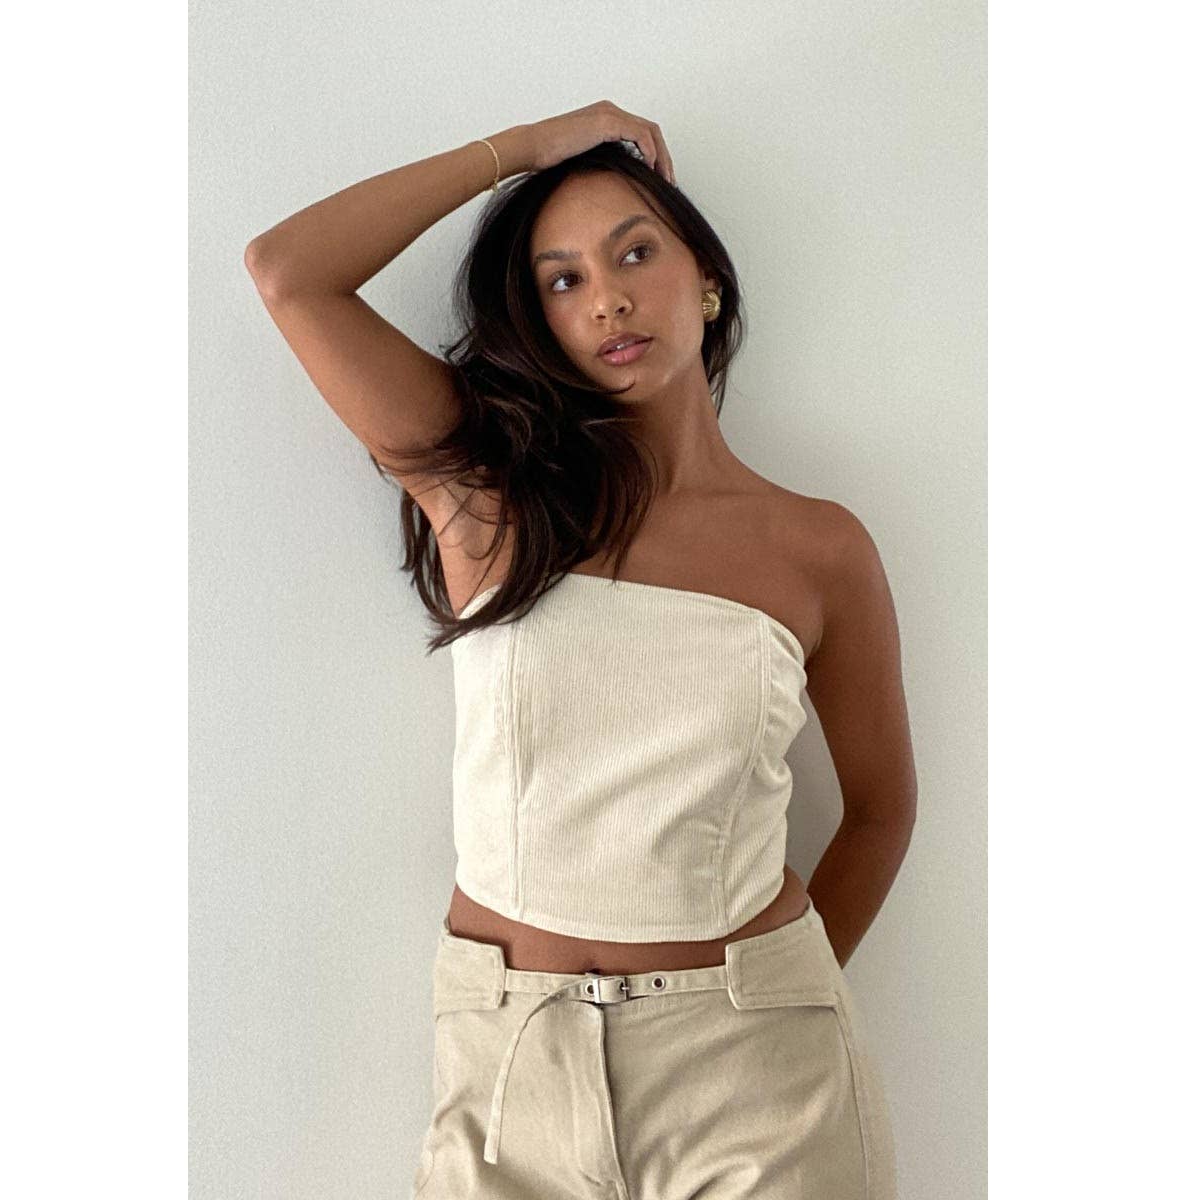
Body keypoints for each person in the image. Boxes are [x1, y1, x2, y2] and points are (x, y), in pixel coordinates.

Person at [245, 100, 916, 1200]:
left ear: (706, 278)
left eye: (634, 253)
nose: (606, 297)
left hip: (761, 1083)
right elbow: (290, 274)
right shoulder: (486, 496)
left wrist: (772, 1000)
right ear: (541, 321)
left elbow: (882, 808)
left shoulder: (819, 547)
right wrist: (528, 145)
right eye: (562, 280)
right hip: (511, 1069)